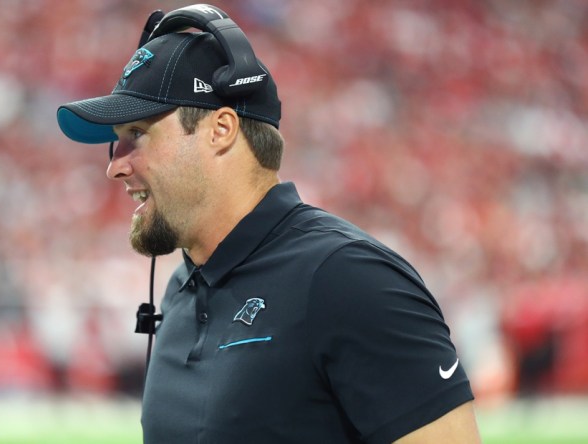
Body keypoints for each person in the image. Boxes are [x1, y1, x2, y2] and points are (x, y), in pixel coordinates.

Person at [56, 4, 481, 443]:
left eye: (137, 134)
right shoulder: (182, 287)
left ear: (221, 129)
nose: (115, 167)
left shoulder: (348, 279)